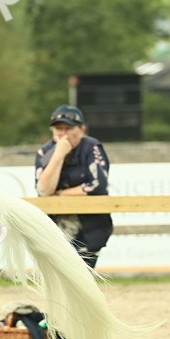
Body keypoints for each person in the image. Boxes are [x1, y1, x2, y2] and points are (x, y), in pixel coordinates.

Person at [34, 104, 113, 269]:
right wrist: (58, 155)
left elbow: (97, 185)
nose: (62, 134)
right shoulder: (45, 152)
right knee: (58, 276)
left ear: (81, 129)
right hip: (55, 227)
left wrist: (62, 193)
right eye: (58, 129)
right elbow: (43, 190)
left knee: (83, 275)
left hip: (90, 228)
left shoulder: (92, 147)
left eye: (68, 128)